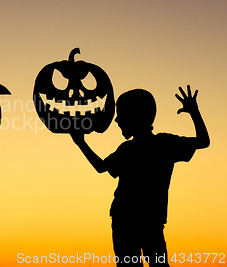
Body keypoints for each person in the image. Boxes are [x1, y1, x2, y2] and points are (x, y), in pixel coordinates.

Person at [71, 87, 210, 267]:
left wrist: (81, 143)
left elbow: (100, 167)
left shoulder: (133, 149)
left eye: (121, 114)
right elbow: (203, 141)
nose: (117, 120)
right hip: (146, 221)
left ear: (135, 116)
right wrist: (194, 111)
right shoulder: (163, 144)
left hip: (128, 222)